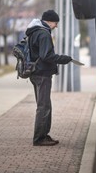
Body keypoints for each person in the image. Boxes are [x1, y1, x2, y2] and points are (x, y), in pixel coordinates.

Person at [25, 10, 72, 146]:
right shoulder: (44, 34)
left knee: (44, 105)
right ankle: (39, 138)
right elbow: (47, 56)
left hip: (35, 73)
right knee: (44, 107)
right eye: (55, 23)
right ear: (49, 21)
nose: (56, 26)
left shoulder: (33, 32)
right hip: (42, 74)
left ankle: (43, 135)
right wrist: (64, 59)